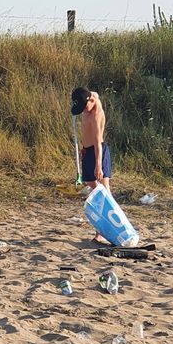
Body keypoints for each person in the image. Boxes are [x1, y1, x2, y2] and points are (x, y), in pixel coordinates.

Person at [71, 87, 113, 243]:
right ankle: (103, 227)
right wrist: (83, 147)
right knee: (91, 184)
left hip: (98, 151)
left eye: (85, 106)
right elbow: (94, 93)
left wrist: (98, 165)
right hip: (87, 151)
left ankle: (102, 231)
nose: (84, 110)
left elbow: (97, 143)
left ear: (90, 102)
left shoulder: (96, 115)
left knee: (103, 191)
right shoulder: (90, 98)